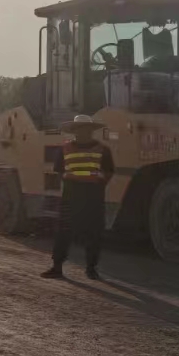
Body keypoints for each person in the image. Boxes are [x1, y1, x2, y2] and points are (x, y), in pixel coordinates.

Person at [42, 114, 115, 280]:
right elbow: (59, 170)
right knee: (63, 231)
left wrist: (98, 185)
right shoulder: (64, 149)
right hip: (71, 195)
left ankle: (91, 268)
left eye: (85, 129)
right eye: (79, 129)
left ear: (91, 131)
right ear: (74, 131)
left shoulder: (103, 149)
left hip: (93, 196)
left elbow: (109, 171)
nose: (82, 132)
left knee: (94, 233)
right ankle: (57, 267)